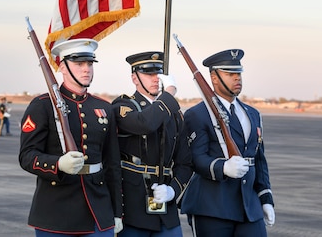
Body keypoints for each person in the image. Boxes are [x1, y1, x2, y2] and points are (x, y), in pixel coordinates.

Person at [19, 39, 123, 236]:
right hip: (56, 213)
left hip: (98, 210)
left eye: (90, 64)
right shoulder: (42, 105)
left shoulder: (103, 108)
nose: (86, 69)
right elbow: (26, 156)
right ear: (62, 67)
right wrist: (57, 164)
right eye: (79, 64)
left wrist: (117, 212)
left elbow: (112, 164)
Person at [180, 49, 275, 237]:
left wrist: (265, 198)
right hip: (212, 207)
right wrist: (223, 167)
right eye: (230, 74)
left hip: (249, 207)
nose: (237, 78)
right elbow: (196, 158)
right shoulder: (197, 114)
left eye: (238, 73)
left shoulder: (253, 114)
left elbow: (259, 160)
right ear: (214, 78)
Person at [112, 51, 193, 236]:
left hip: (166, 211)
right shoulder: (123, 107)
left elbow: (185, 163)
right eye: (149, 73)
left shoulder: (175, 114)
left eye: (159, 73)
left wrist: (172, 190)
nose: (156, 78)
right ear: (134, 78)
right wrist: (169, 94)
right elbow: (145, 123)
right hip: (133, 211)